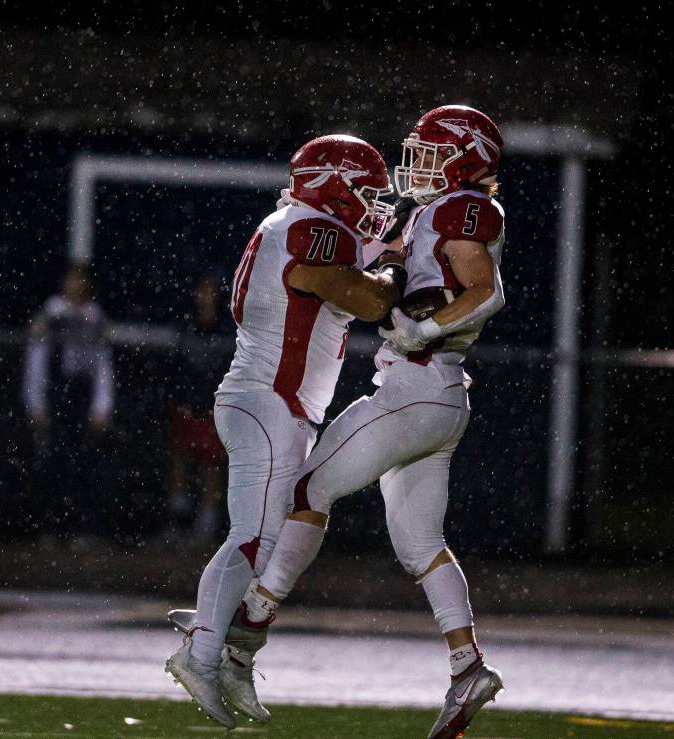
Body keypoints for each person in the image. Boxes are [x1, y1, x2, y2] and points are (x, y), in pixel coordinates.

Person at [231, 105, 508, 739]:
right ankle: (467, 665)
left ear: (466, 156)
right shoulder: (438, 213)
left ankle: (250, 627)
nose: (418, 165)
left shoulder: (458, 207)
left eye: (431, 152)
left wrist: (426, 326)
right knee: (418, 545)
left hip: (413, 390)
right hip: (441, 400)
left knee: (307, 489)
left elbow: (486, 290)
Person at [165, 134, 402, 729]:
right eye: (365, 191)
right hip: (269, 401)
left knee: (270, 534)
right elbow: (363, 299)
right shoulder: (309, 229)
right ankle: (201, 651)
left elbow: (351, 267)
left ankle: (223, 645)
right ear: (333, 183)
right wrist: (397, 269)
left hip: (273, 403)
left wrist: (386, 244)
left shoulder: (296, 223)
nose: (372, 203)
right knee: (255, 539)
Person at [23, 265, 115, 547]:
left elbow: (102, 366)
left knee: (82, 461)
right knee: (52, 461)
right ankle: (50, 526)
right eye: (72, 280)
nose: (76, 286)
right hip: (56, 391)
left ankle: (80, 526)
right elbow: (36, 361)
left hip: (80, 394)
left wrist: (101, 406)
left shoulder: (94, 317)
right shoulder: (50, 315)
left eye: (82, 281)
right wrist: (35, 401)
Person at [163, 275, 233, 541]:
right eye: (201, 292)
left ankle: (206, 526)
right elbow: (176, 368)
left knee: (212, 465)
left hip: (213, 407)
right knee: (180, 458)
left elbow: (228, 368)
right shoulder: (185, 327)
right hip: (186, 405)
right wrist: (178, 401)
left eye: (210, 292)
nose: (205, 297)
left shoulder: (226, 332)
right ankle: (177, 521)